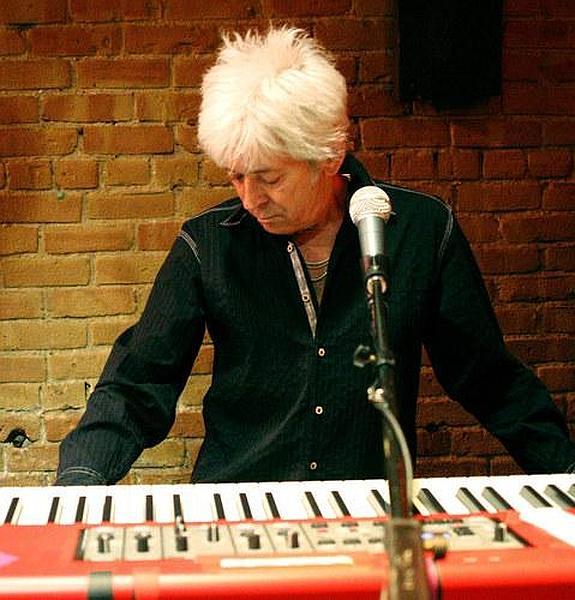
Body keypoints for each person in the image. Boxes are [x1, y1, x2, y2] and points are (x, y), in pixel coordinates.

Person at [56, 26, 575, 486]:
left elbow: (489, 379)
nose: (250, 199)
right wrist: (78, 486)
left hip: (368, 509)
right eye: (236, 176)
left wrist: (566, 472)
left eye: (270, 178)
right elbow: (137, 384)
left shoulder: (419, 231)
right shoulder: (207, 243)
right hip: (241, 508)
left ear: (329, 155)